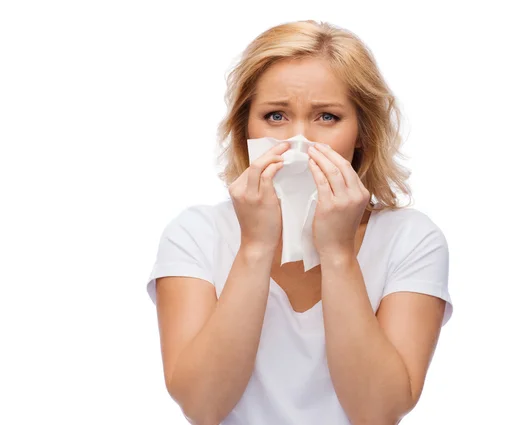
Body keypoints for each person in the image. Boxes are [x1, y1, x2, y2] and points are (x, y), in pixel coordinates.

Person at [145, 20, 453, 425]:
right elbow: (202, 407)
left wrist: (339, 253)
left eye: (326, 117)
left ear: (362, 132)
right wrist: (255, 247)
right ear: (244, 129)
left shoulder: (411, 239)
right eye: (275, 116)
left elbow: (377, 413)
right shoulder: (195, 235)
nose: (298, 144)